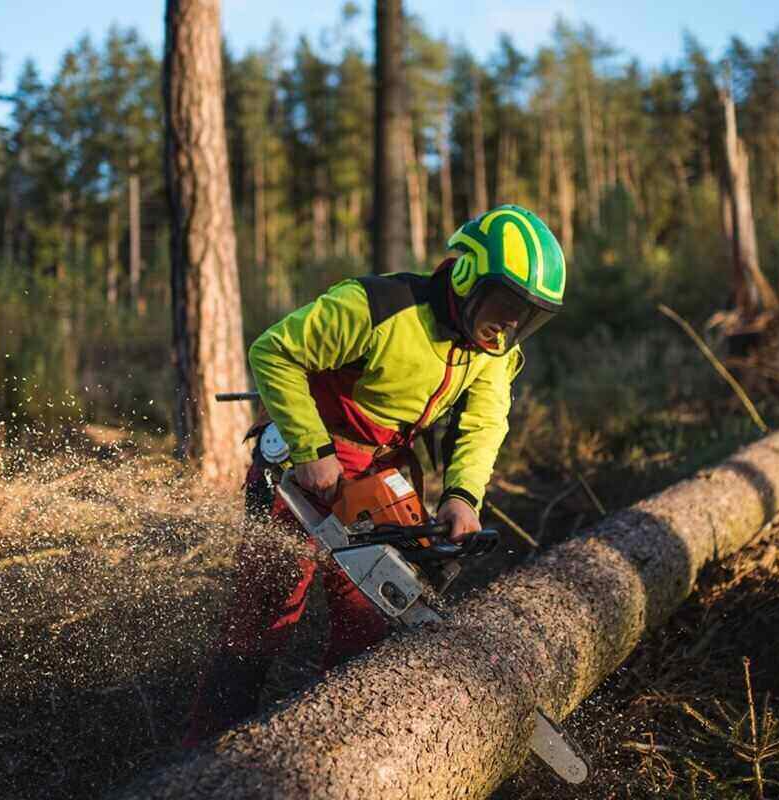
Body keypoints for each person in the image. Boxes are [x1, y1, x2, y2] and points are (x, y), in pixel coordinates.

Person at [181, 204, 567, 746]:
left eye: (525, 316)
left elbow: (484, 421)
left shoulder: (494, 352)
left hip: (383, 467)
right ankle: (207, 750)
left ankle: (335, 748)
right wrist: (310, 447)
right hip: (307, 459)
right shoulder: (376, 306)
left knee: (376, 611)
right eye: (504, 305)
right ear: (466, 276)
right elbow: (274, 351)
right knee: (268, 607)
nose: (508, 324)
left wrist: (462, 496)